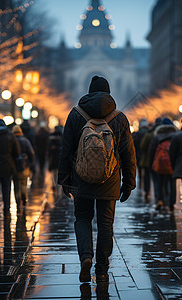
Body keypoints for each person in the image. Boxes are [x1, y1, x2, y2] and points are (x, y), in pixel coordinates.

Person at [58, 75, 136, 283]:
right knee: (106, 223)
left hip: (81, 177)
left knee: (82, 219)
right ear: (109, 93)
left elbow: (66, 150)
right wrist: (129, 182)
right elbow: (128, 154)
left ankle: (86, 257)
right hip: (109, 180)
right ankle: (102, 267)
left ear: (89, 91)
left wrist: (64, 179)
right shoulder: (119, 117)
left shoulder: (75, 115)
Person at [148, 117, 178, 211]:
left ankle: (160, 200)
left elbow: (151, 151)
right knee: (172, 184)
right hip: (172, 164)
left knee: (159, 183)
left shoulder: (157, 136)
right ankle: (171, 203)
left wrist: (151, 165)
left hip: (159, 163)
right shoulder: (175, 136)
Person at [12, 125, 35, 212]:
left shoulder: (12, 141)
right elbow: (31, 153)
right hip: (25, 166)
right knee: (23, 183)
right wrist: (31, 164)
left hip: (14, 166)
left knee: (16, 185)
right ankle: (24, 198)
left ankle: (18, 201)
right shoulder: (25, 141)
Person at [139, 118, 162, 201]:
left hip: (147, 159)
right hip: (162, 160)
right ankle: (162, 197)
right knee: (161, 178)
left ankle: (148, 191)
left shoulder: (149, 134)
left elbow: (142, 146)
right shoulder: (165, 134)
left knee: (148, 176)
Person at [132, 118, 149, 197]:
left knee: (139, 169)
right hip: (147, 156)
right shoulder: (149, 133)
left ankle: (140, 182)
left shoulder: (137, 134)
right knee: (147, 172)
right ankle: (146, 189)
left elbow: (134, 145)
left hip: (138, 155)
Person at [47, 125, 62, 191]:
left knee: (53, 172)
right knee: (58, 172)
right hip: (60, 157)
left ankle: (54, 184)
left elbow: (49, 148)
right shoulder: (62, 137)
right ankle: (57, 184)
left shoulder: (51, 137)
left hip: (53, 157)